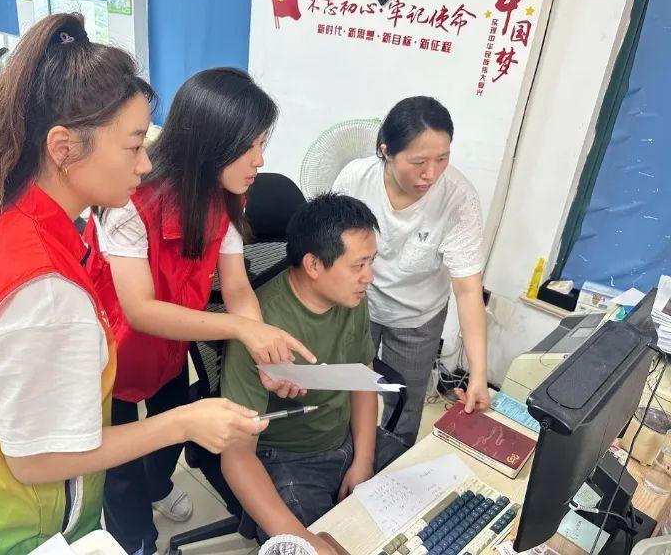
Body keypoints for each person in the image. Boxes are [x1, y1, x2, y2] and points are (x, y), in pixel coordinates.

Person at [0, 13, 267, 555]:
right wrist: (183, 422)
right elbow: (39, 460)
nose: (145, 165)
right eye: (133, 146)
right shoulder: (43, 292)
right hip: (29, 527)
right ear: (63, 147)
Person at [83, 67, 316, 554]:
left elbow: (237, 287)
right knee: (121, 465)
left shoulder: (226, 196)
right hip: (112, 353)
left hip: (171, 347)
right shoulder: (128, 201)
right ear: (211, 141)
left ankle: (158, 485)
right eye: (250, 145)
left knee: (170, 428)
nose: (260, 159)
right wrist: (241, 331)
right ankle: (137, 541)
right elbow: (140, 310)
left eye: (262, 143)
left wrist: (265, 352)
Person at [220, 193, 407, 554]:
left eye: (371, 262)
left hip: (346, 436)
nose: (369, 277)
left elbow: (362, 378)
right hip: (288, 457)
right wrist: (306, 541)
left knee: (426, 503)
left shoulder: (350, 297)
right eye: (358, 265)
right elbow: (237, 457)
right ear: (314, 264)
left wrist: (363, 460)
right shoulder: (260, 329)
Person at [333, 96, 489, 448]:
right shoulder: (356, 179)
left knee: (404, 403)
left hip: (419, 318)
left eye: (442, 158)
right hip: (357, 305)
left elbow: (468, 290)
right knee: (345, 390)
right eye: (418, 162)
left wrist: (478, 373)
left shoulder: (458, 200)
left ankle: (391, 462)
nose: (431, 173)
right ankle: (342, 456)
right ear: (386, 152)